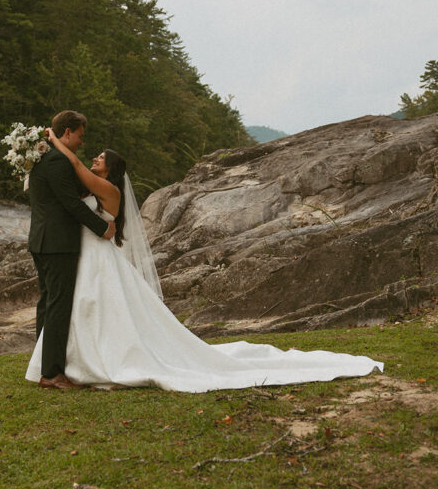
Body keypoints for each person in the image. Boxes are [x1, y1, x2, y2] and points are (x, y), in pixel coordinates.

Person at [25, 130, 384, 392]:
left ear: (111, 168)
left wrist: (52, 140)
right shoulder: (93, 185)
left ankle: (96, 361)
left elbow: (75, 165)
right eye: (95, 156)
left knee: (101, 307)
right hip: (86, 254)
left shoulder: (108, 188)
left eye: (101, 158)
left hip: (99, 255)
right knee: (84, 307)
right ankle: (74, 361)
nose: (94, 159)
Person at [27, 110, 115, 390]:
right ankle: (52, 374)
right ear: (67, 132)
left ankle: (42, 366)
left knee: (47, 303)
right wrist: (103, 228)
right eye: (79, 135)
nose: (81, 142)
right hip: (57, 243)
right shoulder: (56, 161)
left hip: (42, 240)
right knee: (57, 306)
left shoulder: (43, 157)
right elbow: (71, 204)